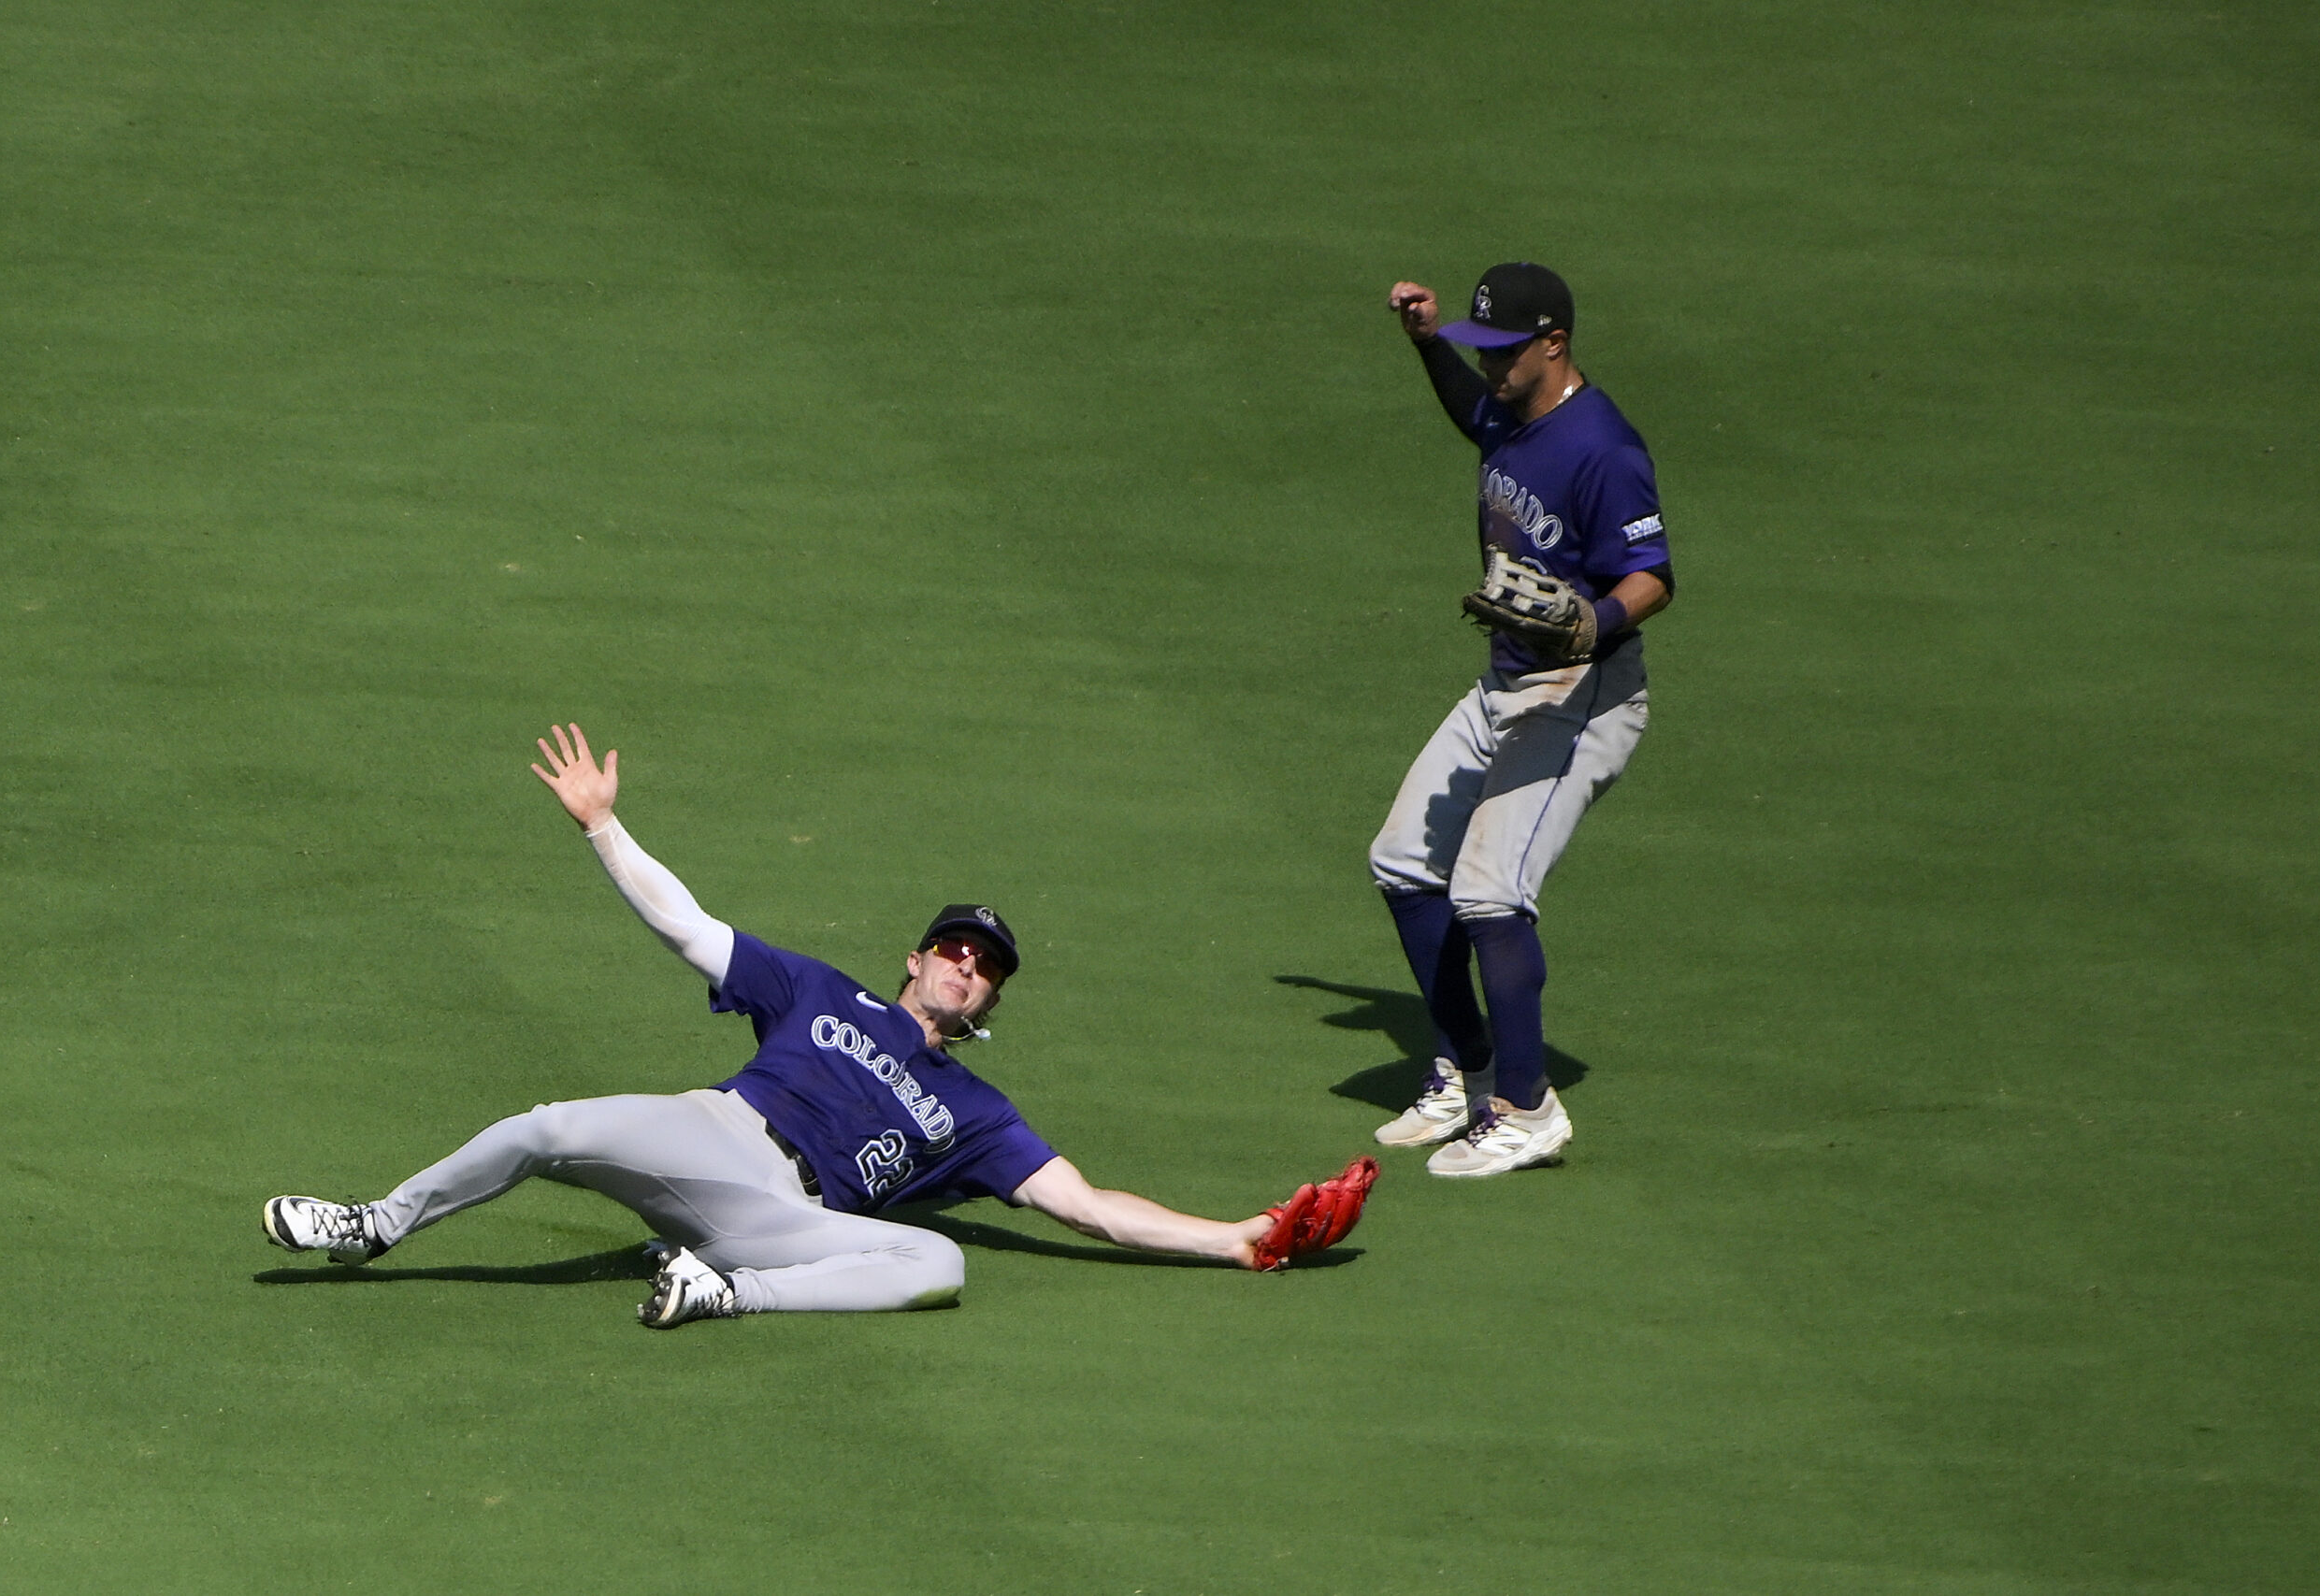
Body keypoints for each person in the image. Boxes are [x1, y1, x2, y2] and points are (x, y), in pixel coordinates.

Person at [262, 724, 1284, 1324]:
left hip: (784, 1218)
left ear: (990, 1001)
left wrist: (1235, 1239)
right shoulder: (822, 992)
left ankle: (723, 1293)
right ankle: (372, 1226)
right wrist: (604, 829)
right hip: (713, 1133)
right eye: (956, 950)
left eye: (986, 969)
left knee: (941, 1264)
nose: (967, 968)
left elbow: (1092, 1207)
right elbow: (688, 927)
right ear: (917, 960)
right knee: (547, 1126)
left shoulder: (977, 1111)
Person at [1367, 263, 1675, 1177]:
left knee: (1491, 892)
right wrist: (1430, 347)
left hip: (1582, 695)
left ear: (1554, 343)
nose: (1490, 365)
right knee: (1402, 864)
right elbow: (1475, 413)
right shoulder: (1509, 405)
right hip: (1505, 683)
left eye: (1503, 350)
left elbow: (1653, 570)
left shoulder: (1603, 446)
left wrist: (1595, 617)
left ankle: (1526, 1106)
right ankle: (1463, 1072)